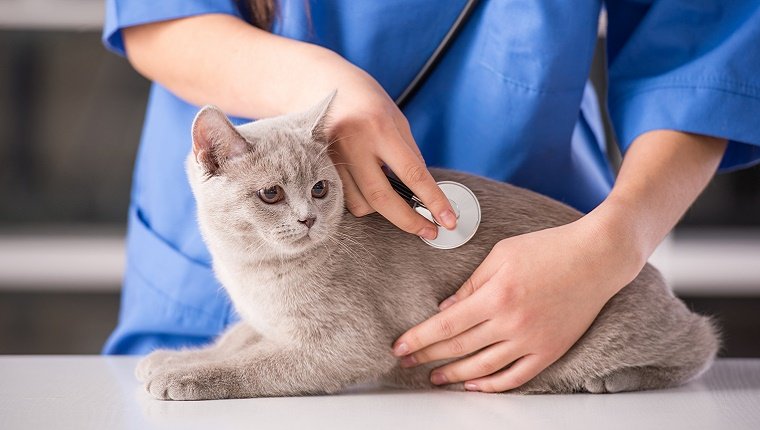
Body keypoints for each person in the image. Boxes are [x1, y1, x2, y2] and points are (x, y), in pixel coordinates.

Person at [103, 0, 760, 392]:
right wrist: (328, 88)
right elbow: (157, 14)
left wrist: (615, 241)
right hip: (235, 234)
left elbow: (701, 50)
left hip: (544, 266)